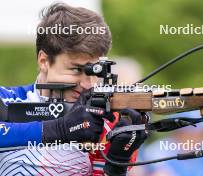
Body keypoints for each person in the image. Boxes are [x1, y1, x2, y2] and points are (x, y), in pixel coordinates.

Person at [0, 3, 147, 176]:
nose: (87, 84)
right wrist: (60, 129)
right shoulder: (7, 99)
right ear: (44, 61)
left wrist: (116, 165)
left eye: (95, 72)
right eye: (77, 70)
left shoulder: (104, 122)